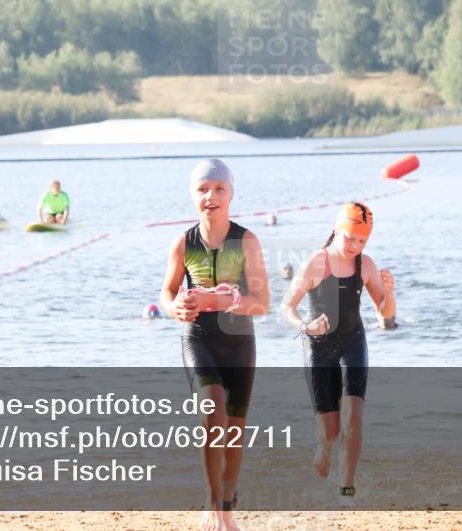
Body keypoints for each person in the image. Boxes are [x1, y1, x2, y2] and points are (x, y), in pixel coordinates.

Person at [159, 159, 269, 531]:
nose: (211, 196)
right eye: (203, 189)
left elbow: (262, 302)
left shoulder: (246, 240)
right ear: (193, 196)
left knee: (234, 431)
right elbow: (167, 291)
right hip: (199, 339)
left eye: (219, 189)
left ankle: (226, 504)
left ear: (231, 193)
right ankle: (211, 504)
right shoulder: (184, 243)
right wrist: (174, 306)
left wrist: (214, 300)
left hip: (239, 342)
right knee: (213, 411)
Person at [280, 202, 396, 504]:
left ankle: (346, 489)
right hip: (318, 349)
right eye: (350, 238)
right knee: (331, 432)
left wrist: (390, 293)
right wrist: (306, 327)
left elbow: (386, 316)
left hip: (352, 343)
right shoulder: (317, 263)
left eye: (362, 241)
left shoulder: (365, 265)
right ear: (336, 230)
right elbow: (286, 307)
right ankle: (324, 447)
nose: (354, 246)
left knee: (353, 417)